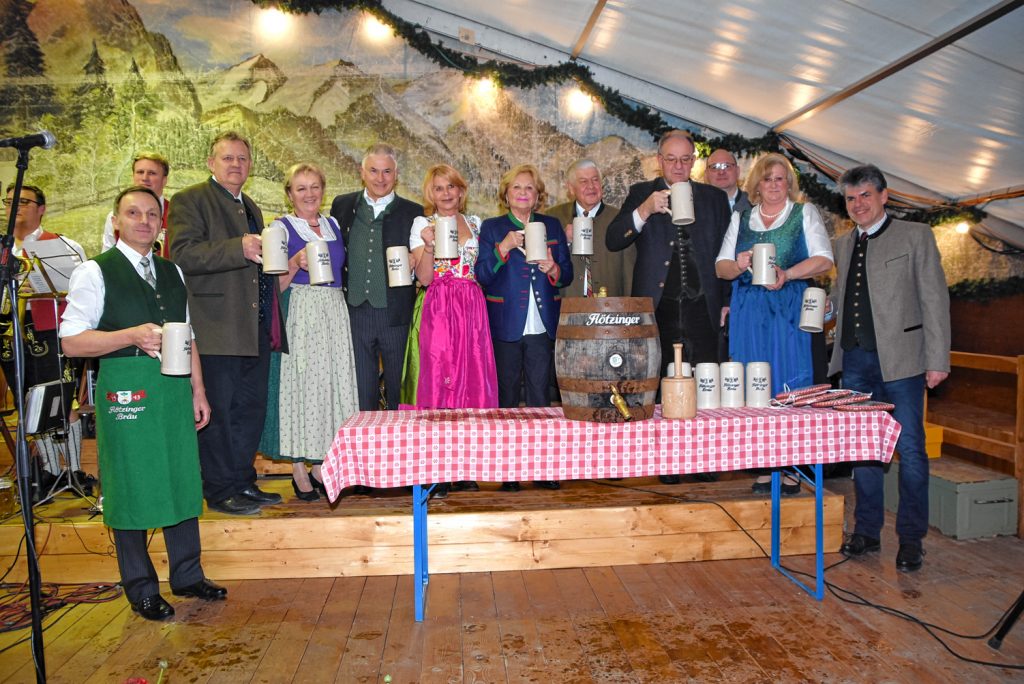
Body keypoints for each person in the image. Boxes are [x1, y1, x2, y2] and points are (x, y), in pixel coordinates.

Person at [60, 186, 225, 621]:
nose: (143, 220)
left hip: (173, 385)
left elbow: (188, 336)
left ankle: (187, 574)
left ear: (161, 224)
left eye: (152, 214)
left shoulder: (172, 271)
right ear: (116, 220)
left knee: (181, 476)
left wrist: (199, 390)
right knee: (131, 481)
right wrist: (130, 335)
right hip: (126, 384)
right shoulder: (95, 272)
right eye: (133, 212)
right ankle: (141, 586)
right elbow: (72, 341)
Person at [831, 164, 950, 573]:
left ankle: (912, 540)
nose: (858, 204)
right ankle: (866, 531)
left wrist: (937, 360)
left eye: (865, 195)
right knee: (864, 451)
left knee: (911, 450)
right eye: (851, 198)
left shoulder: (916, 235)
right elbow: (844, 298)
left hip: (903, 361)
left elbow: (935, 300)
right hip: (857, 360)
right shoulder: (842, 244)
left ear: (884, 196)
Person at [169, 131, 287, 516]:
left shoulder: (249, 204)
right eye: (228, 158)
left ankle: (242, 482)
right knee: (218, 414)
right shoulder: (191, 200)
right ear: (211, 163)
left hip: (253, 328)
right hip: (216, 326)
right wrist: (238, 247)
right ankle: (219, 491)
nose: (236, 164)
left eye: (242, 159)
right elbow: (183, 255)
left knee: (249, 410)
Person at [607, 129, 731, 484]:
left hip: (703, 304)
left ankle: (705, 459)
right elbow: (615, 239)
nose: (678, 166)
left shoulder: (713, 198)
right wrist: (645, 210)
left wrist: (727, 301)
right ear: (658, 160)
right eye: (671, 159)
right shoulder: (640, 193)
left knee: (706, 383)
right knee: (661, 385)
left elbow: (726, 251)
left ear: (694, 162)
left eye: (685, 159)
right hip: (658, 306)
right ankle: (668, 461)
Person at [715, 153, 834, 494]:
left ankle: (794, 466)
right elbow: (720, 268)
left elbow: (825, 259)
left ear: (789, 183)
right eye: (767, 179)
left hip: (788, 307)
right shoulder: (742, 218)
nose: (773, 185)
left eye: (780, 179)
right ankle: (766, 465)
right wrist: (738, 264)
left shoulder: (803, 213)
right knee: (755, 382)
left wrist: (789, 273)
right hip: (749, 310)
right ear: (757, 184)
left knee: (790, 378)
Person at [266, 163, 359, 501]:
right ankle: (298, 467)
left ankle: (322, 462)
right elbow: (273, 285)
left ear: (323, 189)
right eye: (301, 188)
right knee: (302, 385)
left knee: (332, 384)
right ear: (289, 194)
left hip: (334, 309)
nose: (309, 194)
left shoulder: (333, 224)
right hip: (302, 309)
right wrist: (295, 262)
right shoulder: (280, 228)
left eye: (314, 187)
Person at [476, 164, 572, 492]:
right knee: (506, 398)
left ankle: (542, 467)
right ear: (506, 194)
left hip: (542, 324)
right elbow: (482, 276)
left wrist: (554, 267)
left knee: (539, 397)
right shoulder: (492, 228)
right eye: (516, 187)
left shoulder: (552, 225)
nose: (522, 192)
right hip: (505, 322)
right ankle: (509, 471)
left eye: (529, 188)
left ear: (537, 194)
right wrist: (502, 248)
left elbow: (568, 274)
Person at [409, 164, 498, 497]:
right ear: (430, 194)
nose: (446, 193)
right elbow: (424, 278)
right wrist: (429, 247)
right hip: (441, 306)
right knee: (441, 380)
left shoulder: (476, 224)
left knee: (473, 379)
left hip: (472, 306)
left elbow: (485, 269)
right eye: (438, 188)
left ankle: (467, 464)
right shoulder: (423, 225)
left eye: (451, 187)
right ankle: (439, 467)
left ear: (461, 191)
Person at [2, 184, 88, 495]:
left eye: (23, 202)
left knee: (63, 401)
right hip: (11, 335)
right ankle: (51, 473)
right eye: (9, 202)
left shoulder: (64, 245)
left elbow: (81, 291)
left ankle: (74, 471)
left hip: (49, 331)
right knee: (29, 403)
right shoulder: (3, 247)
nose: (15, 207)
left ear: (41, 208)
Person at [329, 143, 421, 412]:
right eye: (373, 171)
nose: (380, 178)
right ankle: (363, 448)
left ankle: (400, 448)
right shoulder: (342, 205)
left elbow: (422, 258)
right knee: (360, 390)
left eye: (387, 172)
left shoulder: (412, 212)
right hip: (355, 313)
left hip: (395, 314)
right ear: (362, 172)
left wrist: (417, 259)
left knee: (398, 390)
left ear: (396, 174)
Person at [547, 159, 633, 297]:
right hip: (565, 308)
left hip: (610, 309)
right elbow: (543, 264)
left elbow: (629, 272)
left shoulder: (621, 219)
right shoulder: (552, 218)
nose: (591, 186)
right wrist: (564, 240)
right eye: (583, 182)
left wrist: (629, 311)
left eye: (595, 180)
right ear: (570, 188)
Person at [102, 152, 171, 256]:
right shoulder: (116, 216)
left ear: (164, 180)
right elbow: (107, 257)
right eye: (140, 172)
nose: (144, 178)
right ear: (133, 176)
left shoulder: (178, 215)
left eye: (152, 173)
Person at [704, 149, 752, 216]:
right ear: (706, 174)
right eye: (714, 167)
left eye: (727, 166)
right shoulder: (695, 209)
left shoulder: (754, 207)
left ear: (737, 171)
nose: (721, 172)